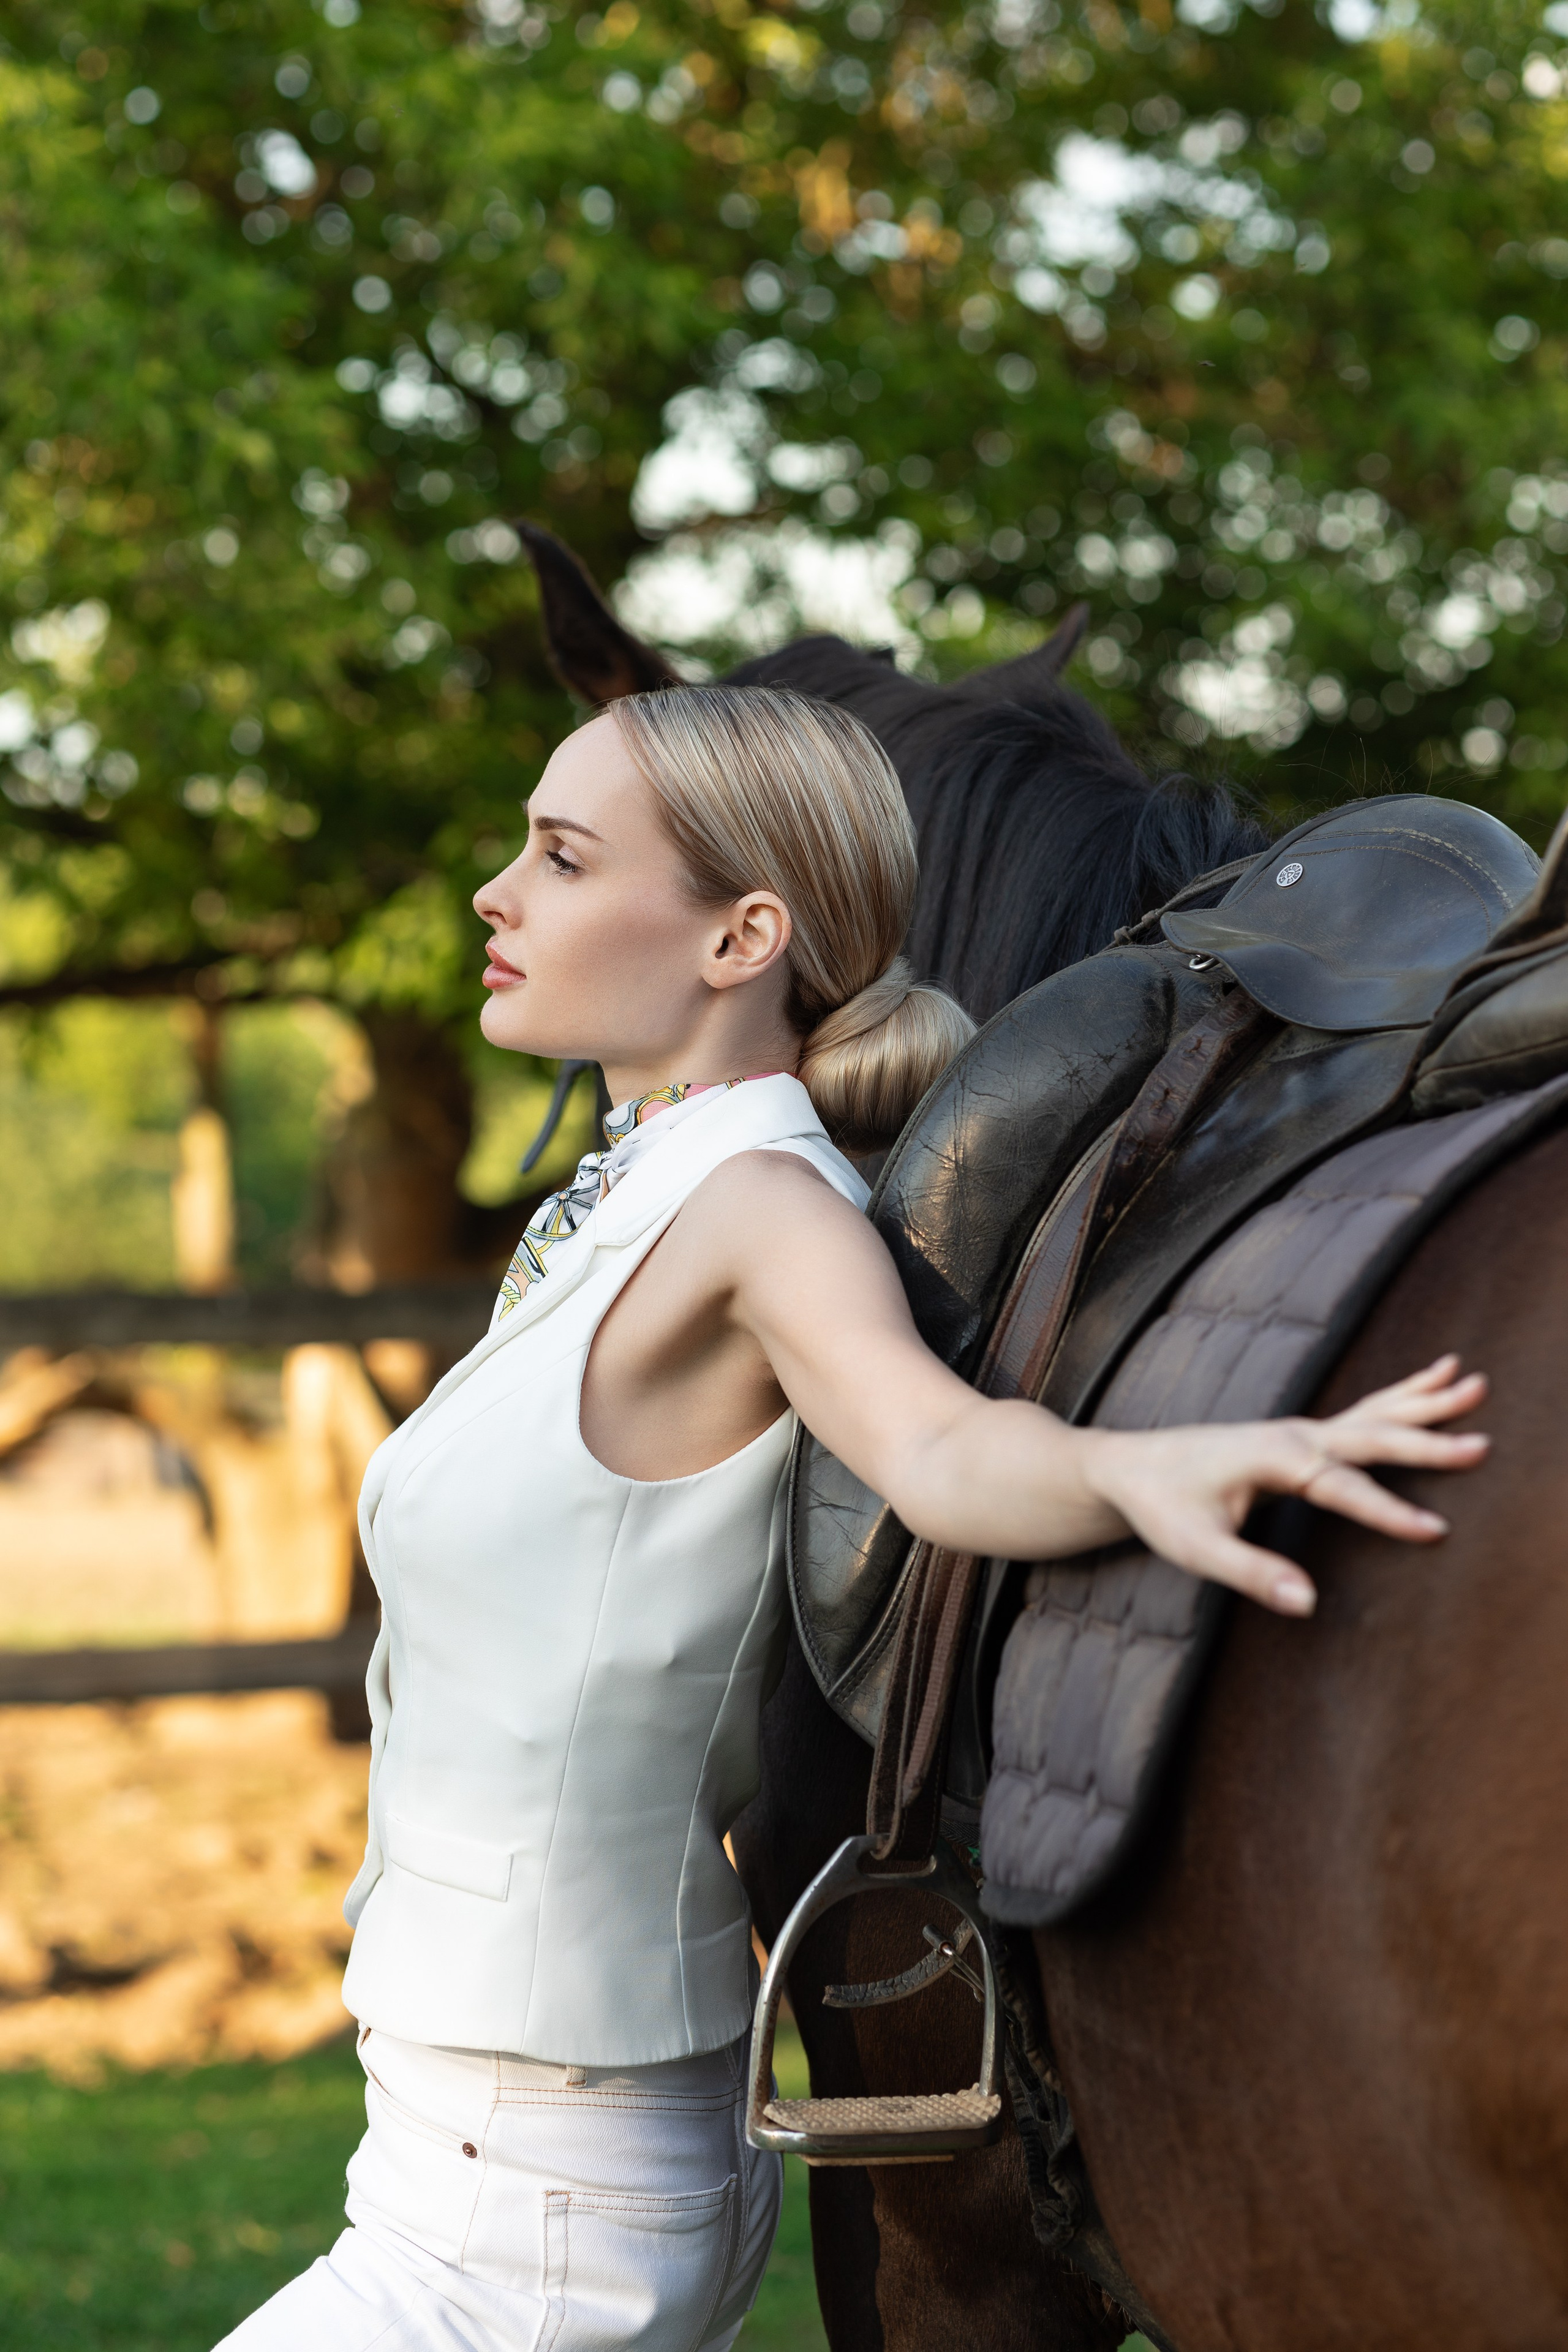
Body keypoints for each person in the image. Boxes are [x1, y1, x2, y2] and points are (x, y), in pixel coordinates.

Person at [219, 684, 1487, 2351]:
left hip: (536, 2202)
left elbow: (942, 1449)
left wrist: (1151, 1470)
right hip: (456, 2146)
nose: (493, 893)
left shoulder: (763, 1208)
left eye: (562, 855)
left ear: (746, 934)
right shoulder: (622, 1197)